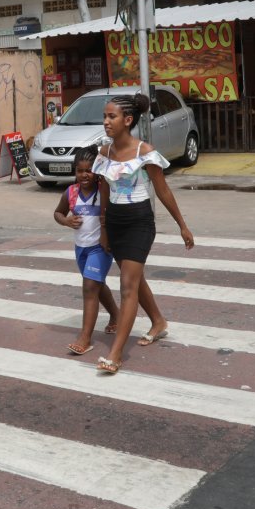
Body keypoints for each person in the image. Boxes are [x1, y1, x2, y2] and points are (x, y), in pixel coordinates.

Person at [93, 92, 195, 374]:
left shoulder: (145, 152)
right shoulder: (104, 153)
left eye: (111, 116)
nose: (106, 122)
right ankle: (159, 321)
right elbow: (103, 190)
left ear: (127, 120)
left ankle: (115, 355)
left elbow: (162, 190)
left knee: (128, 286)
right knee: (134, 279)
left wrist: (182, 226)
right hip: (114, 222)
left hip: (139, 223)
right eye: (104, 116)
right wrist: (103, 229)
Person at [53, 149, 121, 355]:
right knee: (97, 286)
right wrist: (66, 221)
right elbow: (58, 213)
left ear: (97, 171)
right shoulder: (71, 192)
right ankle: (116, 316)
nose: (84, 175)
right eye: (80, 170)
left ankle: (85, 338)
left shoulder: (104, 191)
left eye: (89, 171)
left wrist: (109, 236)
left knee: (90, 287)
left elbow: (112, 215)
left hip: (100, 248)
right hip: (80, 249)